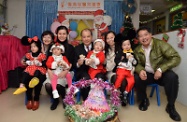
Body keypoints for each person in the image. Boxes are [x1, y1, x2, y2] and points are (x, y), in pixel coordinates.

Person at [134, 26, 181, 121]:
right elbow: (136, 63)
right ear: (138, 39)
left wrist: (160, 69)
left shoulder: (160, 44)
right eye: (141, 36)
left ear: (151, 35)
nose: (144, 38)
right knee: (137, 77)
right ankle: (143, 100)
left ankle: (171, 106)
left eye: (146, 34)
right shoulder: (137, 50)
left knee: (172, 77)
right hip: (148, 74)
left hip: (161, 72)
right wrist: (140, 70)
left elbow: (176, 58)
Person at [44, 26, 75, 110]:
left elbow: (72, 63)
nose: (62, 36)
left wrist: (65, 71)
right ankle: (56, 99)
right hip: (53, 71)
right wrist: (49, 71)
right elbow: (48, 62)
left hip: (67, 72)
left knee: (58, 85)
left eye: (64, 34)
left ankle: (65, 99)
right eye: (60, 33)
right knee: (47, 85)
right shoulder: (53, 46)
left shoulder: (71, 48)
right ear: (57, 34)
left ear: (67, 35)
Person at [13, 36, 47, 111]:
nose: (33, 48)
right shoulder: (29, 54)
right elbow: (25, 60)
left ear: (39, 47)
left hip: (39, 70)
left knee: (37, 77)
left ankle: (36, 100)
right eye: (31, 46)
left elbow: (45, 63)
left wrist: (39, 63)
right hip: (30, 69)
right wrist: (29, 62)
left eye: (35, 46)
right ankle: (22, 87)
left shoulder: (42, 55)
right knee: (25, 74)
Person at [104, 31, 127, 106]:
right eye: (108, 38)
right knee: (116, 77)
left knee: (122, 77)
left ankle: (122, 96)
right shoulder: (105, 50)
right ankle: (118, 96)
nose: (110, 40)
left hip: (123, 70)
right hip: (111, 71)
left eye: (112, 37)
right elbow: (107, 67)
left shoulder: (121, 47)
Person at [114, 34, 137, 105]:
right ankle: (115, 90)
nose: (127, 46)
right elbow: (116, 60)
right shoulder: (120, 53)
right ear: (121, 46)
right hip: (122, 69)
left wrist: (133, 60)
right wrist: (122, 61)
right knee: (120, 78)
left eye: (128, 44)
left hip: (129, 71)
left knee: (132, 81)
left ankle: (125, 92)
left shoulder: (132, 53)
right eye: (124, 45)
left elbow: (135, 62)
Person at [74, 29, 93, 101]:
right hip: (82, 71)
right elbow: (74, 64)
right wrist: (78, 63)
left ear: (91, 37)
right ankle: (86, 101)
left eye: (88, 36)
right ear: (81, 38)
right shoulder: (77, 48)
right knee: (85, 79)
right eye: (84, 37)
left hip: (95, 71)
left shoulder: (97, 46)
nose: (86, 39)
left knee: (99, 78)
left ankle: (97, 102)